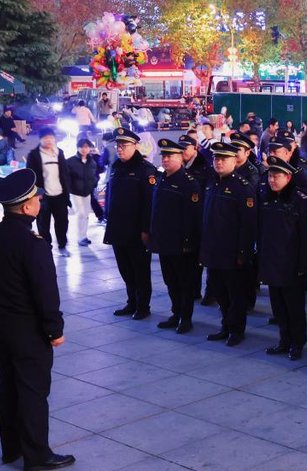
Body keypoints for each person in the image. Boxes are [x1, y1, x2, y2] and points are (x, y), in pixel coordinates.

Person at [0, 169, 74, 471]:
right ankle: (37, 455)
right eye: (36, 197)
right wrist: (54, 329)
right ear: (26, 207)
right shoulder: (32, 243)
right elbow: (45, 291)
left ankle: (11, 449)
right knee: (33, 391)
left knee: (7, 386)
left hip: (1, 324)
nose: (39, 200)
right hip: (28, 329)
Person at [199, 141, 258, 346]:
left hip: (232, 252)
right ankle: (225, 325)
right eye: (216, 158)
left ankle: (236, 330)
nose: (219, 162)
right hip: (213, 250)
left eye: (223, 158)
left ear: (234, 160)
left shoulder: (242, 188)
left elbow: (248, 224)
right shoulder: (211, 182)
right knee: (220, 293)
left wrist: (243, 253)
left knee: (236, 295)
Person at [260, 157, 307, 360]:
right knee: (278, 308)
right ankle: (284, 341)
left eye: (277, 176)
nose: (272, 180)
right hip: (272, 263)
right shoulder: (266, 198)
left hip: (292, 265)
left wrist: (304, 265)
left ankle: (297, 343)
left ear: (288, 177)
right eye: (270, 176)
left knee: (294, 308)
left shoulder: (301, 201)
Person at [148, 139, 203, 335]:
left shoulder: (189, 183)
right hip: (164, 241)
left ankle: (185, 318)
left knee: (185, 283)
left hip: (181, 244)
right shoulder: (162, 179)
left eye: (169, 156)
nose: (165, 159)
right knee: (170, 281)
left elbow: (193, 217)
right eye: (163, 156)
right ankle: (175, 313)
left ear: (180, 158)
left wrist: (189, 243)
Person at [103, 127, 158, 321]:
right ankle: (131, 301)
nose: (120, 149)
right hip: (118, 228)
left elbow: (149, 204)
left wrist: (146, 230)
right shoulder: (117, 167)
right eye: (118, 145)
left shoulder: (146, 170)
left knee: (140, 270)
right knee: (125, 268)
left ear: (136, 146)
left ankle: (143, 305)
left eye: (124, 145)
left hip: (136, 231)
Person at [26, 128, 71, 256]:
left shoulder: (59, 152)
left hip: (60, 195)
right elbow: (30, 175)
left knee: (62, 222)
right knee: (43, 224)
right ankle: (46, 247)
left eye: (51, 137)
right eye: (45, 137)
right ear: (40, 139)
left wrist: (67, 189)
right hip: (43, 196)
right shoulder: (34, 155)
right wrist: (36, 193)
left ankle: (62, 245)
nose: (49, 140)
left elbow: (65, 173)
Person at [64, 138, 99, 247]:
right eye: (81, 147)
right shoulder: (70, 161)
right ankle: (80, 237)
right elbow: (66, 177)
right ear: (77, 148)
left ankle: (83, 236)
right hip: (75, 192)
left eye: (86, 147)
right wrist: (69, 188)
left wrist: (94, 184)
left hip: (87, 192)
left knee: (86, 215)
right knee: (81, 214)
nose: (84, 149)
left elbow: (95, 175)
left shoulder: (92, 162)